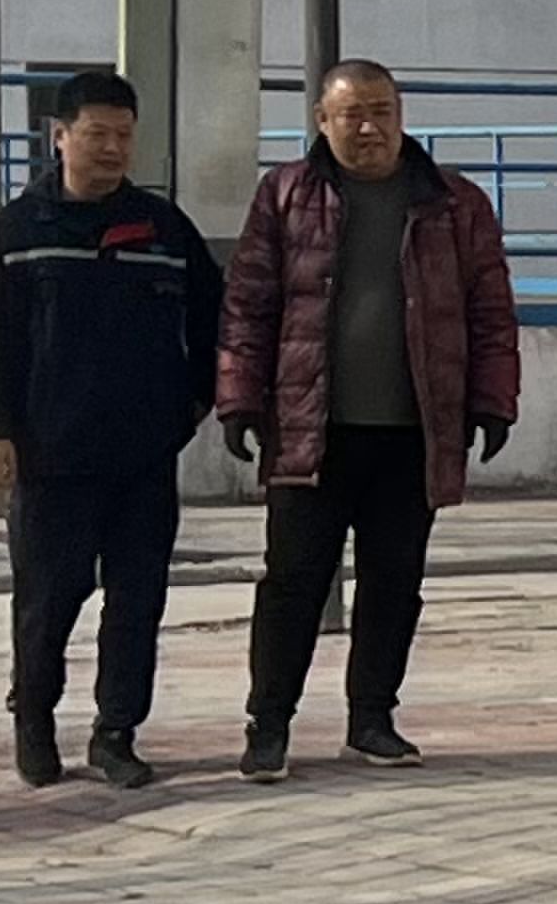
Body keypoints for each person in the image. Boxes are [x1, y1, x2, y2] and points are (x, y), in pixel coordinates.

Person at [216, 53, 523, 780]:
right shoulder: (286, 194)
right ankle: (269, 724)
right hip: (309, 428)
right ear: (322, 120)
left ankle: (372, 719)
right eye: (352, 114)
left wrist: (492, 401)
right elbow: (249, 304)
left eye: (382, 112)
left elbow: (490, 310)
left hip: (414, 433)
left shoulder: (454, 204)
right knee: (292, 582)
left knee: (394, 582)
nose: (369, 128)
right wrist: (239, 397)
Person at [0, 64, 224, 787]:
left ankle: (116, 733)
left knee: (137, 602)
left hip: (143, 457)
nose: (111, 149)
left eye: (123, 136)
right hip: (52, 456)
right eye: (96, 134)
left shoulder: (163, 229)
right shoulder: (21, 230)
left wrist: (194, 402)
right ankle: (34, 720)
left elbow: (214, 320)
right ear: (60, 136)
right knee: (48, 601)